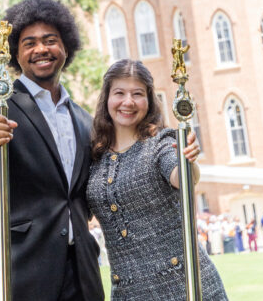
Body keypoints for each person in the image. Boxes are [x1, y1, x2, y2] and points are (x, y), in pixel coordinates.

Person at [0, 0, 104, 301]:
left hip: (80, 273)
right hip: (19, 268)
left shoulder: (84, 120)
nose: (40, 49)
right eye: (29, 43)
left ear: (66, 46)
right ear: (16, 54)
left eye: (50, 40)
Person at [86, 59, 228, 300]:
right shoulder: (95, 156)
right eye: (119, 93)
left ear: (149, 101)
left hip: (182, 286)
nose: (128, 102)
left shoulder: (160, 144)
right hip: (127, 292)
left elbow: (181, 176)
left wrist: (188, 162)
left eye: (137, 94)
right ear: (107, 99)